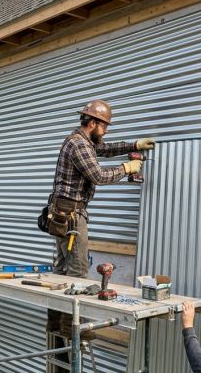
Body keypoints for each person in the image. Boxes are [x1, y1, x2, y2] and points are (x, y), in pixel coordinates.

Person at [49, 100, 155, 277]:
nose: (106, 131)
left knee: (62, 269)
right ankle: (71, 304)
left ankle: (55, 305)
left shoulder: (82, 141)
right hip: (71, 215)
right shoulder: (79, 145)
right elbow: (99, 176)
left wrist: (134, 145)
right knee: (78, 272)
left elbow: (105, 149)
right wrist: (126, 168)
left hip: (62, 213)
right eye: (104, 126)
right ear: (92, 123)